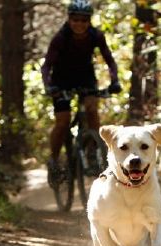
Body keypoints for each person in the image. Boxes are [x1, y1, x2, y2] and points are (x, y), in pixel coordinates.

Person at [41, 0, 121, 183]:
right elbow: (46, 67)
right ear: (69, 20)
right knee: (63, 121)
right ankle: (53, 160)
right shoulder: (60, 38)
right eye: (75, 20)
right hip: (61, 80)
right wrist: (49, 87)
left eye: (83, 20)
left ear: (89, 21)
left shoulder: (96, 36)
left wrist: (115, 81)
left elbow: (110, 60)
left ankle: (93, 150)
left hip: (85, 77)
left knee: (92, 109)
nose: (79, 24)